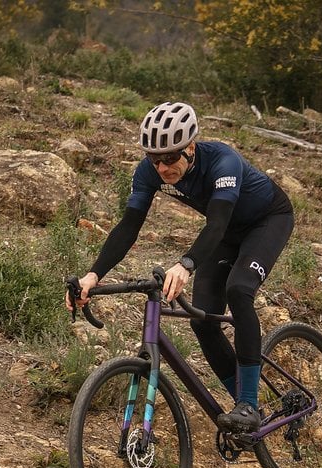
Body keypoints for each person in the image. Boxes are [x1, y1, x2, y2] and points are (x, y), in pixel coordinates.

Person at [67, 101, 294, 434]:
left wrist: (186, 265)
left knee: (238, 290)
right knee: (202, 319)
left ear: (190, 148)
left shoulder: (223, 162)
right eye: (154, 159)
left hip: (267, 220)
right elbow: (129, 226)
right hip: (227, 231)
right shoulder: (149, 172)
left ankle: (248, 405)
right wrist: (93, 275)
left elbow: (215, 224)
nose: (162, 167)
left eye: (170, 158)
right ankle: (250, 409)